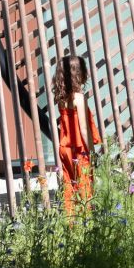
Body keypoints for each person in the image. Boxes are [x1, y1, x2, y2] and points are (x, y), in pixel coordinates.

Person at [52, 54, 100, 208]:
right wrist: (92, 152)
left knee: (70, 185)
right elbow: (84, 129)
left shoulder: (61, 98)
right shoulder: (79, 98)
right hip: (79, 149)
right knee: (85, 185)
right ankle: (87, 216)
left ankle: (71, 218)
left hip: (65, 148)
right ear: (80, 74)